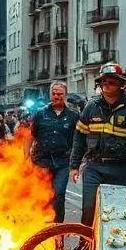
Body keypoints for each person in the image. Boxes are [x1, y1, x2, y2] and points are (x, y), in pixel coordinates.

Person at [70, 63, 126, 225]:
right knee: (89, 210)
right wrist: (74, 166)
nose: (106, 84)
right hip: (94, 167)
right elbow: (79, 139)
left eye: (112, 81)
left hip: (121, 168)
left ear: (121, 84)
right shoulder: (91, 107)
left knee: (117, 214)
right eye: (103, 81)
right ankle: (85, 247)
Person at [29, 82, 78, 222]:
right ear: (51, 94)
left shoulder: (73, 116)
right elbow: (32, 136)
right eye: (54, 94)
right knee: (42, 195)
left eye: (60, 94)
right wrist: (26, 157)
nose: (56, 97)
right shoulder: (40, 114)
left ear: (65, 95)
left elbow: (77, 141)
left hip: (62, 162)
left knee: (59, 194)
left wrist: (76, 163)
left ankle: (57, 228)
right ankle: (39, 225)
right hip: (42, 161)